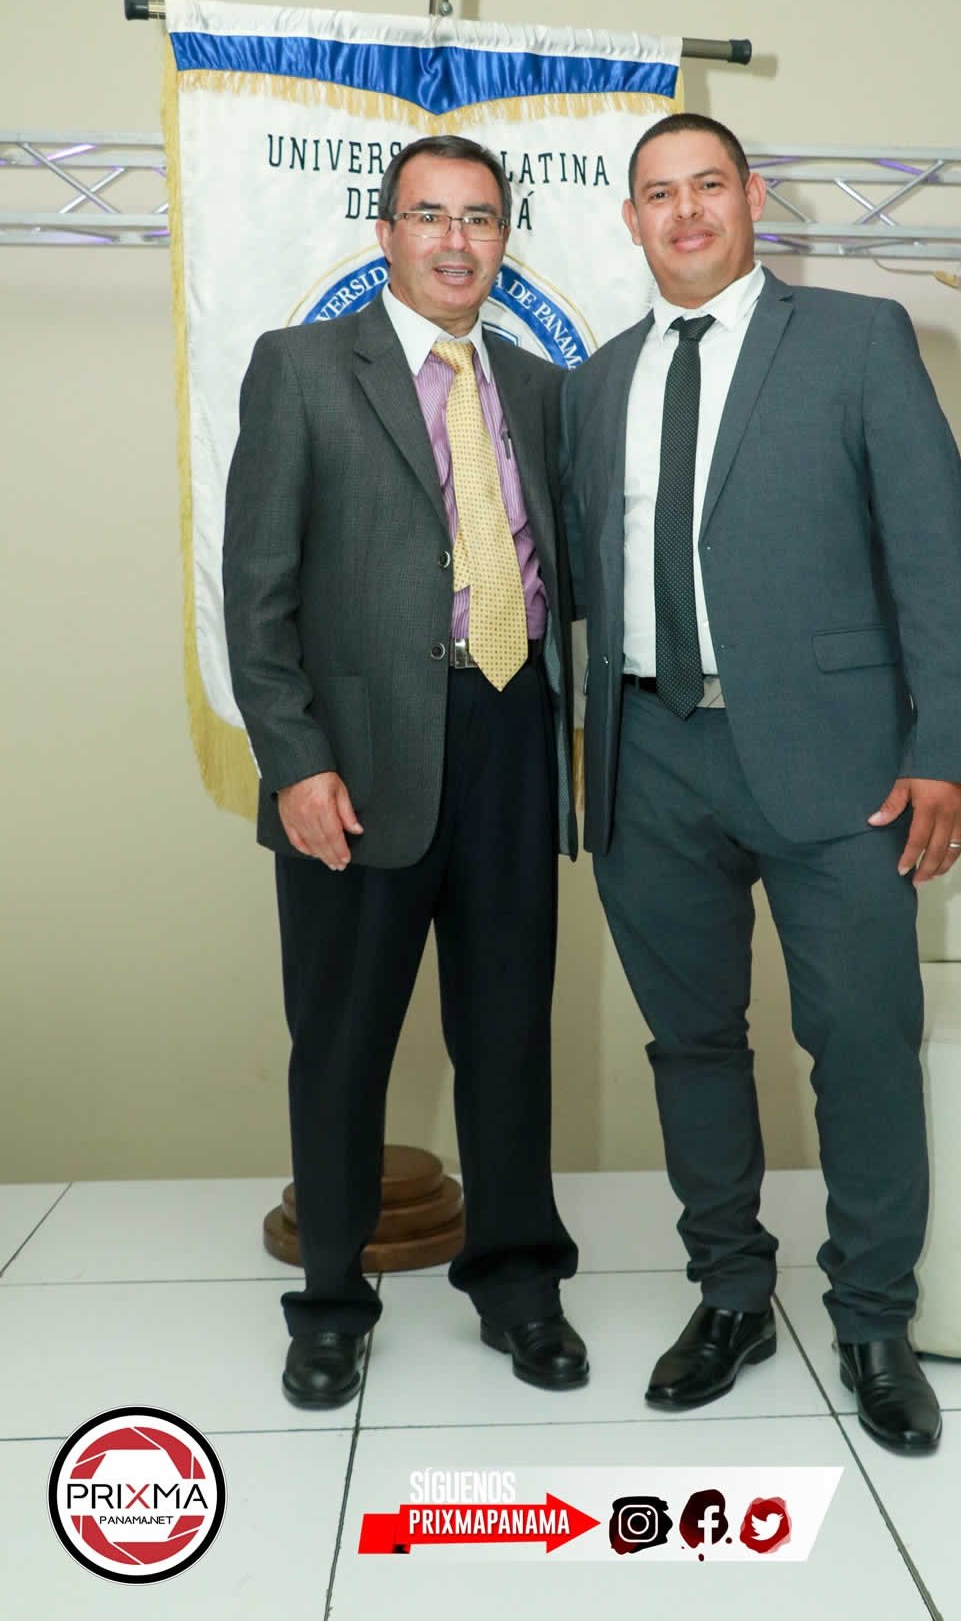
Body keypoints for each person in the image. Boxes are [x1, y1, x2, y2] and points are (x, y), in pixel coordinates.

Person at [561, 112, 961, 1452]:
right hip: (647, 753)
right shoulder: (596, 382)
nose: (685, 212)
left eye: (709, 186)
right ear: (630, 219)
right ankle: (731, 1297)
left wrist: (947, 750)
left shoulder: (859, 340)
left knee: (860, 1042)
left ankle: (874, 1319)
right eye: (659, 194)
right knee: (691, 1043)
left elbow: (934, 554)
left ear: (752, 198)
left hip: (840, 761)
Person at [224, 134, 585, 1410]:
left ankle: (519, 1287)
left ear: (504, 239)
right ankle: (331, 1301)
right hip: (357, 759)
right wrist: (295, 763)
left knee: (509, 1033)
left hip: (510, 735)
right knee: (340, 1045)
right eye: (429, 216)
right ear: (385, 235)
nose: (454, 241)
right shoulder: (303, 368)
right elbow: (255, 594)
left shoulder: (540, 389)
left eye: (478, 218)